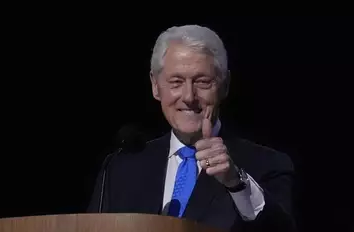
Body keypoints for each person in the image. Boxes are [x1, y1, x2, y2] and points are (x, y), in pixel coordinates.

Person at [87, 25, 296, 232]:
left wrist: (235, 182)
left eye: (202, 82)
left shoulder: (266, 165)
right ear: (155, 85)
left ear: (225, 85)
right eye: (176, 82)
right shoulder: (120, 168)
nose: (189, 97)